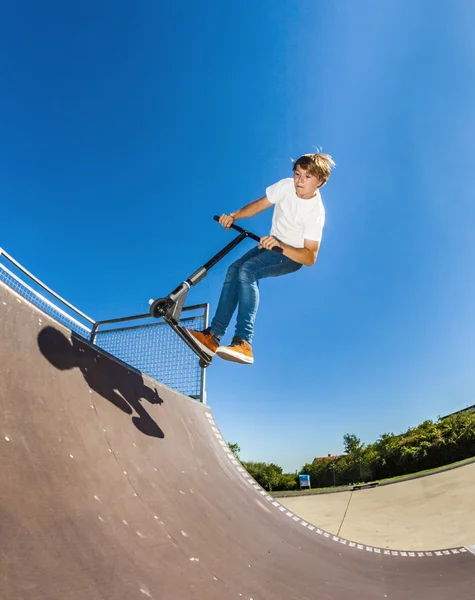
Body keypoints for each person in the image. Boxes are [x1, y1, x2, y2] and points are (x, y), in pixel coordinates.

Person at [187, 152, 335, 364]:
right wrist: (234, 216)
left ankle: (244, 342)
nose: (299, 181)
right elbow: (259, 205)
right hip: (271, 245)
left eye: (307, 177)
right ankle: (213, 337)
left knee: (248, 270)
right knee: (234, 270)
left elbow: (310, 257)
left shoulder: (315, 212)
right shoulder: (286, 186)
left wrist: (280, 245)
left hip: (292, 256)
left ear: (320, 181)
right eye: (297, 174)